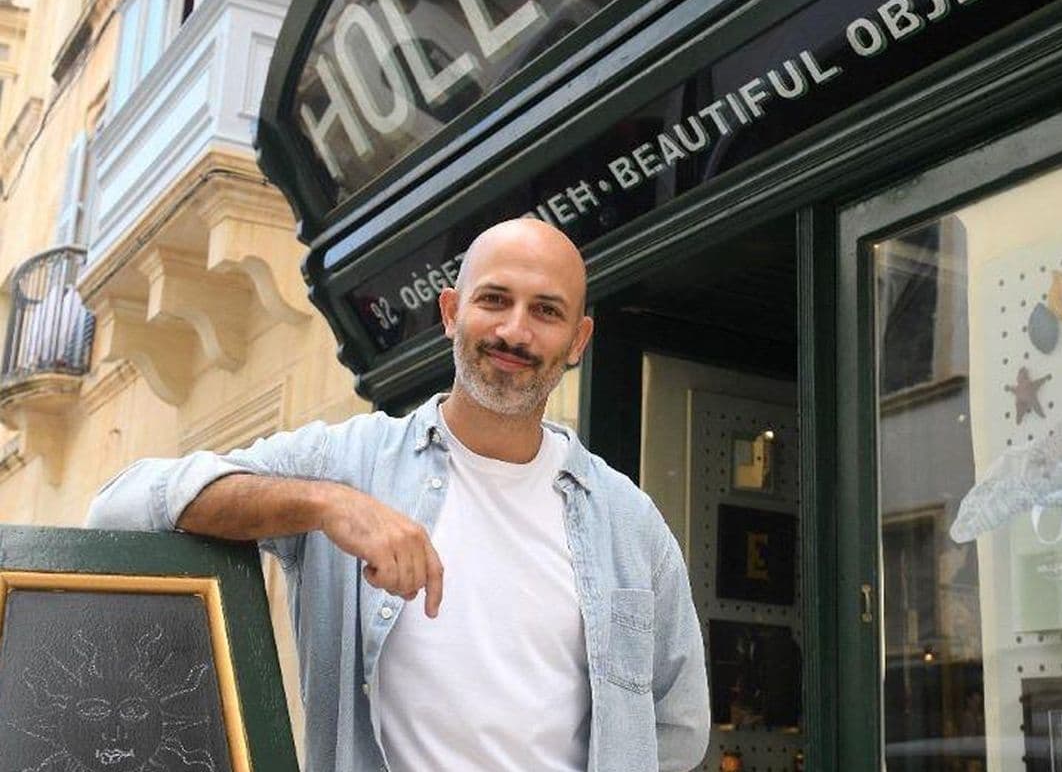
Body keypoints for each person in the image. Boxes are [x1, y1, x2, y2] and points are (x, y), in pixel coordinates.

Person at [87, 218, 711, 772]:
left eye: (546, 311)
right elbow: (121, 505)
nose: (515, 331)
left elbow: (678, 729)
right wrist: (327, 505)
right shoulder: (347, 463)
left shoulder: (630, 521)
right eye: (494, 300)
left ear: (578, 341)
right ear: (450, 312)